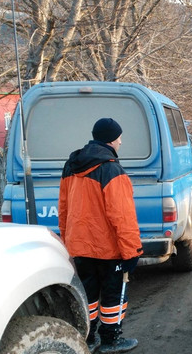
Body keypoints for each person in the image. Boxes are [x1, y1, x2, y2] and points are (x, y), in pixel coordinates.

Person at [59, 118, 143, 354]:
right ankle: (111, 339)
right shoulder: (112, 169)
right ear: (110, 140)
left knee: (89, 295)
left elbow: (64, 209)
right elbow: (123, 217)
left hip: (80, 247)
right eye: (119, 137)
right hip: (109, 250)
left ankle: (89, 337)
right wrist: (132, 252)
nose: (121, 141)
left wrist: (68, 243)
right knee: (113, 295)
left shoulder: (71, 166)